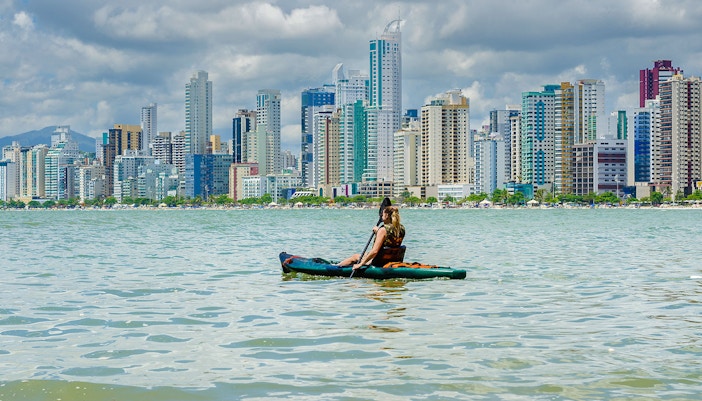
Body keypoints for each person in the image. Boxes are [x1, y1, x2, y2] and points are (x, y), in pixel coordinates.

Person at [338, 205, 406, 270]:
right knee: (363, 255)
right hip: (393, 259)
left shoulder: (383, 230)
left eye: (382, 214)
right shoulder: (401, 228)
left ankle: (335, 268)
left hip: (379, 262)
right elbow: (390, 241)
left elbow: (374, 251)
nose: (381, 216)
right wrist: (378, 232)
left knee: (355, 257)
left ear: (387, 215)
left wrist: (360, 264)